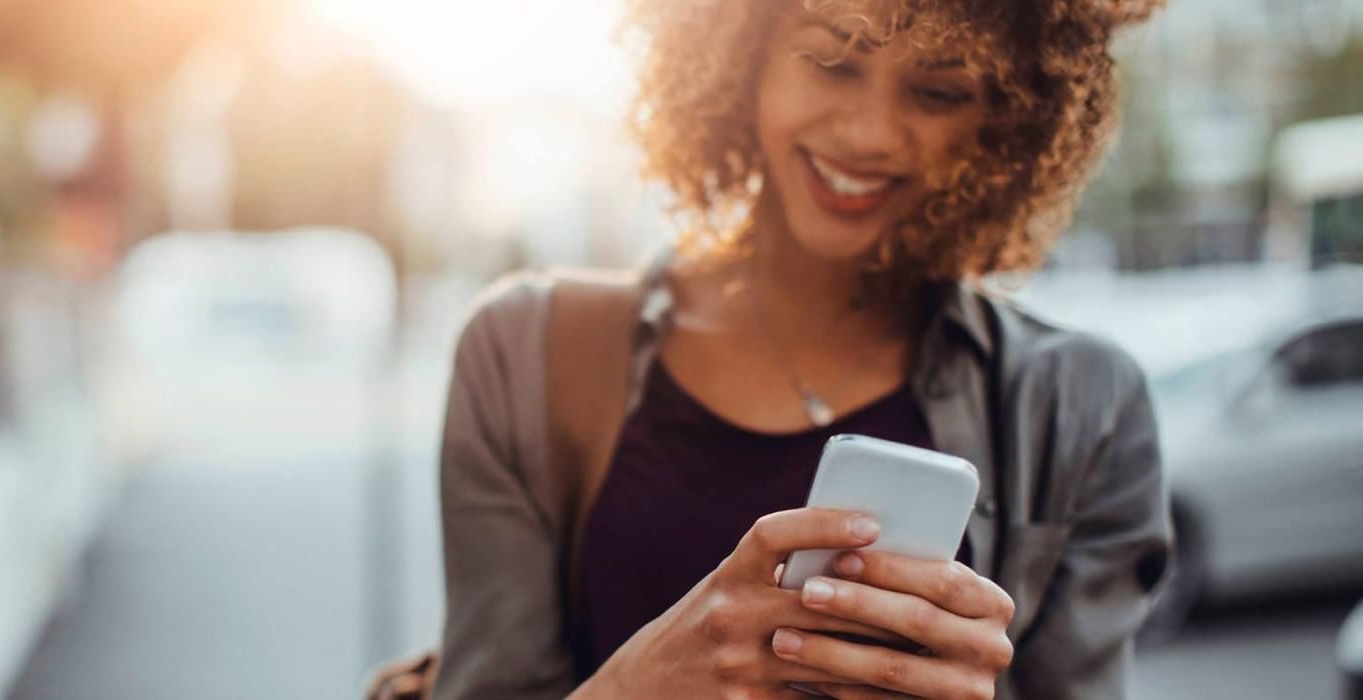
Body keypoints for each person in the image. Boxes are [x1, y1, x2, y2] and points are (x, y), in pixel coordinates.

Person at [431, 0, 1171, 698]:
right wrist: (637, 685)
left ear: (1006, 118)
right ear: (741, 54)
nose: (871, 133)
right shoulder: (525, 355)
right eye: (831, 62)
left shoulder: (1085, 407)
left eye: (939, 93)